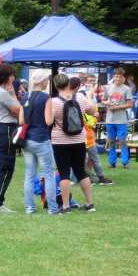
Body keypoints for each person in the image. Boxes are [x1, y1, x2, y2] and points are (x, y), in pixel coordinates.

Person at [46, 73, 96, 212]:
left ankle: (66, 205)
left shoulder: (53, 101)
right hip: (79, 140)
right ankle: (89, 203)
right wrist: (89, 97)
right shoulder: (80, 97)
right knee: (81, 172)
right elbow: (92, 111)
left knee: (64, 173)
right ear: (69, 83)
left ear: (56, 86)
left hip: (60, 141)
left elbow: (48, 122)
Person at [20, 70, 58, 215]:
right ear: (42, 81)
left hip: (27, 139)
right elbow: (49, 121)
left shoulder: (25, 96)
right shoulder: (46, 98)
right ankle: (53, 208)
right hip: (41, 138)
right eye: (47, 80)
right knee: (48, 174)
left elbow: (21, 120)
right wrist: (53, 112)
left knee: (29, 175)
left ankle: (30, 207)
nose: (48, 82)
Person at [0, 62, 22, 213]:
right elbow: (18, 110)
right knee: (6, 168)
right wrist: (13, 94)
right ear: (7, 77)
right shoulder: (2, 92)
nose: (14, 78)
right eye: (12, 75)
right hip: (6, 129)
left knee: (0, 168)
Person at [102, 67, 133, 169]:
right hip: (110, 119)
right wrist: (107, 103)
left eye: (120, 76)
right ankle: (112, 162)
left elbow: (130, 104)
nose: (118, 78)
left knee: (122, 141)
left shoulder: (126, 89)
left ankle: (125, 162)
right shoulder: (108, 87)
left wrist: (117, 107)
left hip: (121, 120)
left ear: (123, 78)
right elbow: (103, 100)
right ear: (114, 76)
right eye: (116, 76)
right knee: (111, 142)